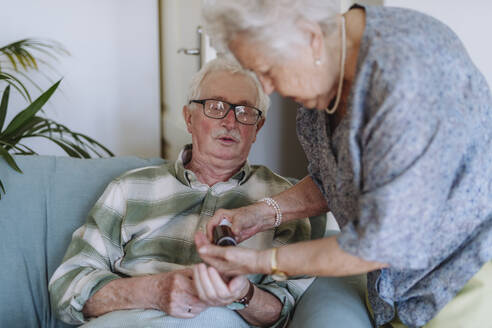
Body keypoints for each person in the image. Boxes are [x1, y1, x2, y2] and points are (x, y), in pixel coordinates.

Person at [198, 1, 492, 327]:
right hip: (397, 290)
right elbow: (335, 177)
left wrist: (260, 261)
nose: (267, 88)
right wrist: (257, 215)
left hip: (462, 279)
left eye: (268, 70)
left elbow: (383, 243)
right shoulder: (325, 78)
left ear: (310, 37)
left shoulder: (407, 75)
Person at [48, 56, 315, 328]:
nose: (231, 121)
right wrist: (153, 291)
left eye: (245, 112)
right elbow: (67, 288)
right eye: (216, 106)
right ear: (189, 118)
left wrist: (243, 293)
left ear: (257, 128)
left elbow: (284, 311)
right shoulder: (130, 188)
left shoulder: (283, 202)